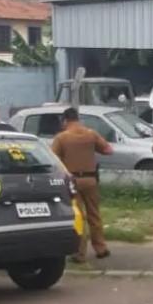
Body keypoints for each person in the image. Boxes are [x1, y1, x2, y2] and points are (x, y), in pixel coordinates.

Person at [51, 107, 113, 261]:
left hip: (72, 181)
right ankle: (101, 248)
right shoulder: (91, 134)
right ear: (78, 119)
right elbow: (108, 150)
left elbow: (53, 160)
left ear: (65, 121)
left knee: (78, 217)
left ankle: (80, 253)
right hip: (91, 180)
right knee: (94, 214)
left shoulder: (61, 138)